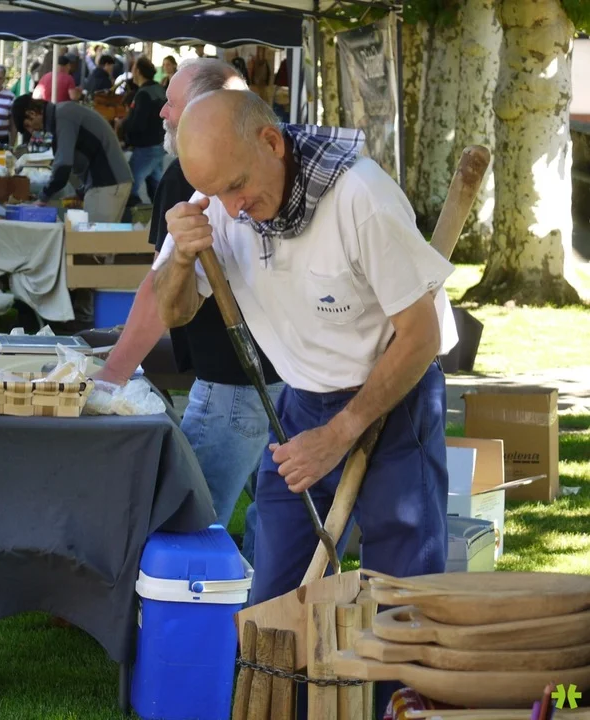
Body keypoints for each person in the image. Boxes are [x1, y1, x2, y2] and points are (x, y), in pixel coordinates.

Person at [152, 90, 454, 615]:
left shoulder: (360, 198)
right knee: (276, 597)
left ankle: (399, 674)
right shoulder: (216, 203)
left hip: (393, 397)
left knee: (399, 596)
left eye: (237, 186)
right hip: (299, 404)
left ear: (272, 142)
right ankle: (285, 672)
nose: (231, 208)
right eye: (215, 193)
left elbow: (421, 336)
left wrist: (340, 434)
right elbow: (172, 312)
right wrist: (180, 258)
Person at [94, 59, 282, 561]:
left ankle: (184, 601)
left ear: (205, 108)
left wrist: (113, 372)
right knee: (278, 516)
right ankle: (263, 600)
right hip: (282, 375)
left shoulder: (192, 168)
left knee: (189, 517)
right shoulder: (261, 158)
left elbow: (159, 293)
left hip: (234, 380)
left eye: (171, 103)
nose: (162, 114)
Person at [12, 93, 132, 223]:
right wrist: (81, 192)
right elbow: (85, 156)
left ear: (32, 113)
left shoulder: (63, 116)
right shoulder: (63, 113)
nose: (32, 131)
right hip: (108, 182)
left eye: (28, 125)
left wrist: (43, 197)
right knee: (99, 235)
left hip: (107, 183)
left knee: (92, 235)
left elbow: (63, 164)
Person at [119, 56, 166, 208]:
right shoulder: (159, 89)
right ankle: (159, 214)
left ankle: (133, 216)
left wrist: (124, 130)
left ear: (138, 71)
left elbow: (138, 124)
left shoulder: (144, 94)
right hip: (159, 144)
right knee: (156, 188)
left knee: (129, 186)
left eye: (133, 68)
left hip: (146, 147)